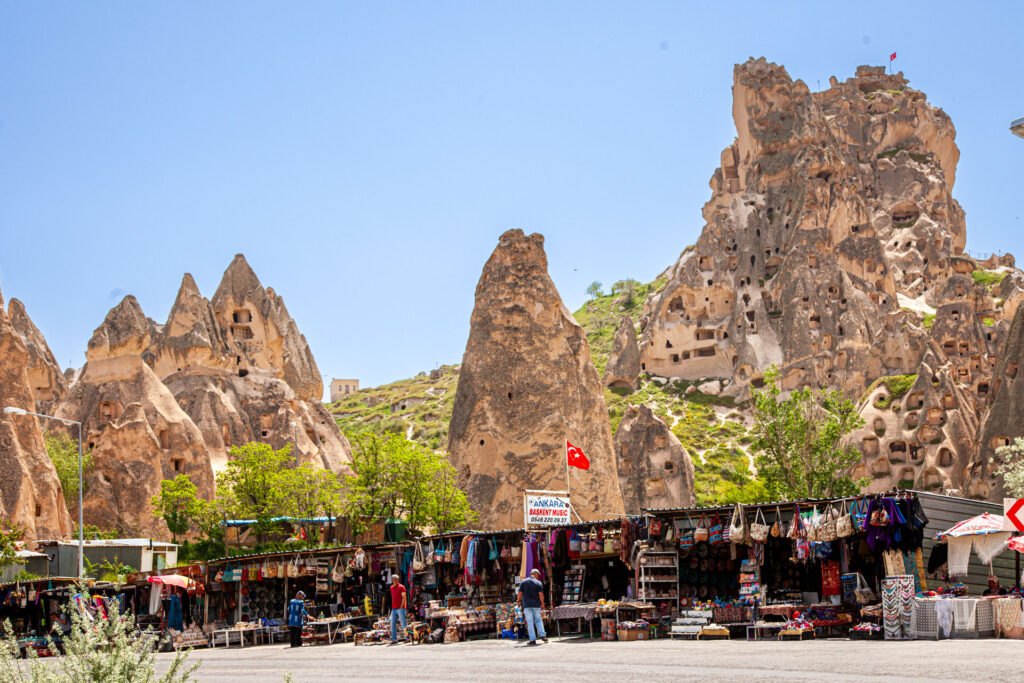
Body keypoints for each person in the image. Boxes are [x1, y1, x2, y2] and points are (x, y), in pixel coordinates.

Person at [517, 568, 547, 645]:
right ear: (535, 574)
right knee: (538, 620)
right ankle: (543, 636)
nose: (538, 577)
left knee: (530, 622)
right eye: (538, 575)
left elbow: (520, 593)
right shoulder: (538, 583)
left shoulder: (523, 582)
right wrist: (542, 604)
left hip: (527, 605)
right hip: (536, 605)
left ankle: (532, 639)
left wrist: (518, 601)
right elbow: (541, 594)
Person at [389, 574, 408, 644]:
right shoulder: (391, 588)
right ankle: (394, 639)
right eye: (395, 580)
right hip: (394, 608)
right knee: (392, 623)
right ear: (392, 580)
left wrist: (401, 606)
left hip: (400, 608)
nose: (396, 581)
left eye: (397, 580)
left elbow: (404, 598)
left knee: (403, 623)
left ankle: (407, 637)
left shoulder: (402, 587)